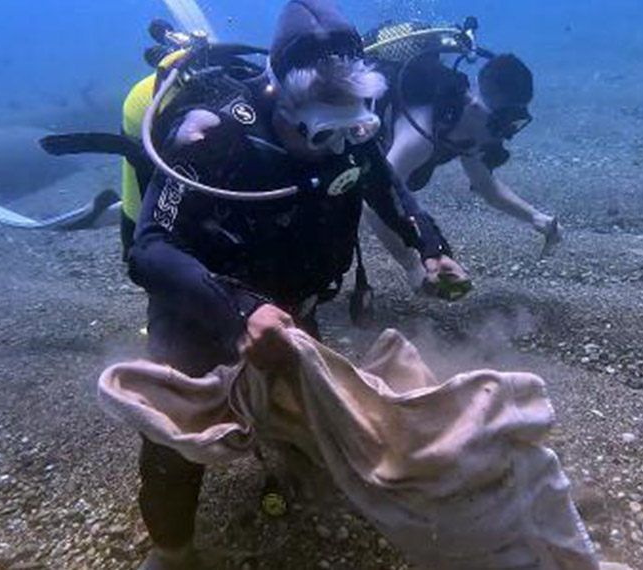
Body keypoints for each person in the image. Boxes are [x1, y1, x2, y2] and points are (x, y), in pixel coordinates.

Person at [125, 2, 469, 568]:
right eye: (321, 131)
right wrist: (240, 310)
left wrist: (432, 251)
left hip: (290, 301)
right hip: (202, 301)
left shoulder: (353, 133)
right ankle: (170, 549)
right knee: (172, 431)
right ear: (279, 100)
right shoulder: (212, 137)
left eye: (354, 127)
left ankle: (297, 464)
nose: (339, 146)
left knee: (303, 400)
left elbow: (387, 188)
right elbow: (151, 248)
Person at [362, 20, 561, 289]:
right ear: (478, 106)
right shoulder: (420, 136)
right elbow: (374, 204)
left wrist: (536, 218)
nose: (504, 136)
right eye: (503, 123)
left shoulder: (467, 131)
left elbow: (486, 187)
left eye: (514, 124)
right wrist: (411, 266)